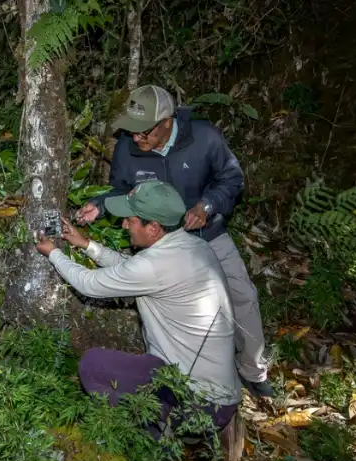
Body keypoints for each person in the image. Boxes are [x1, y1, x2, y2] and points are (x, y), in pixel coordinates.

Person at [74, 84, 272, 398]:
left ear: (167, 122)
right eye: (133, 131)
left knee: (242, 296)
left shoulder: (203, 138)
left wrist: (207, 206)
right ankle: (172, 381)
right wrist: (99, 204)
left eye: (144, 132)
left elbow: (231, 177)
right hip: (159, 246)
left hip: (207, 235)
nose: (136, 138)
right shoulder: (128, 147)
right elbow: (120, 190)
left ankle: (252, 370)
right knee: (154, 303)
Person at [34, 180, 242, 434]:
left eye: (130, 220)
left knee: (92, 365)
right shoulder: (192, 245)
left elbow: (88, 284)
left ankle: (148, 436)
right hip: (220, 395)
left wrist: (54, 253)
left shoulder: (154, 265)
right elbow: (130, 267)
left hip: (199, 403)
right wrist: (87, 245)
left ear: (153, 228)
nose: (123, 225)